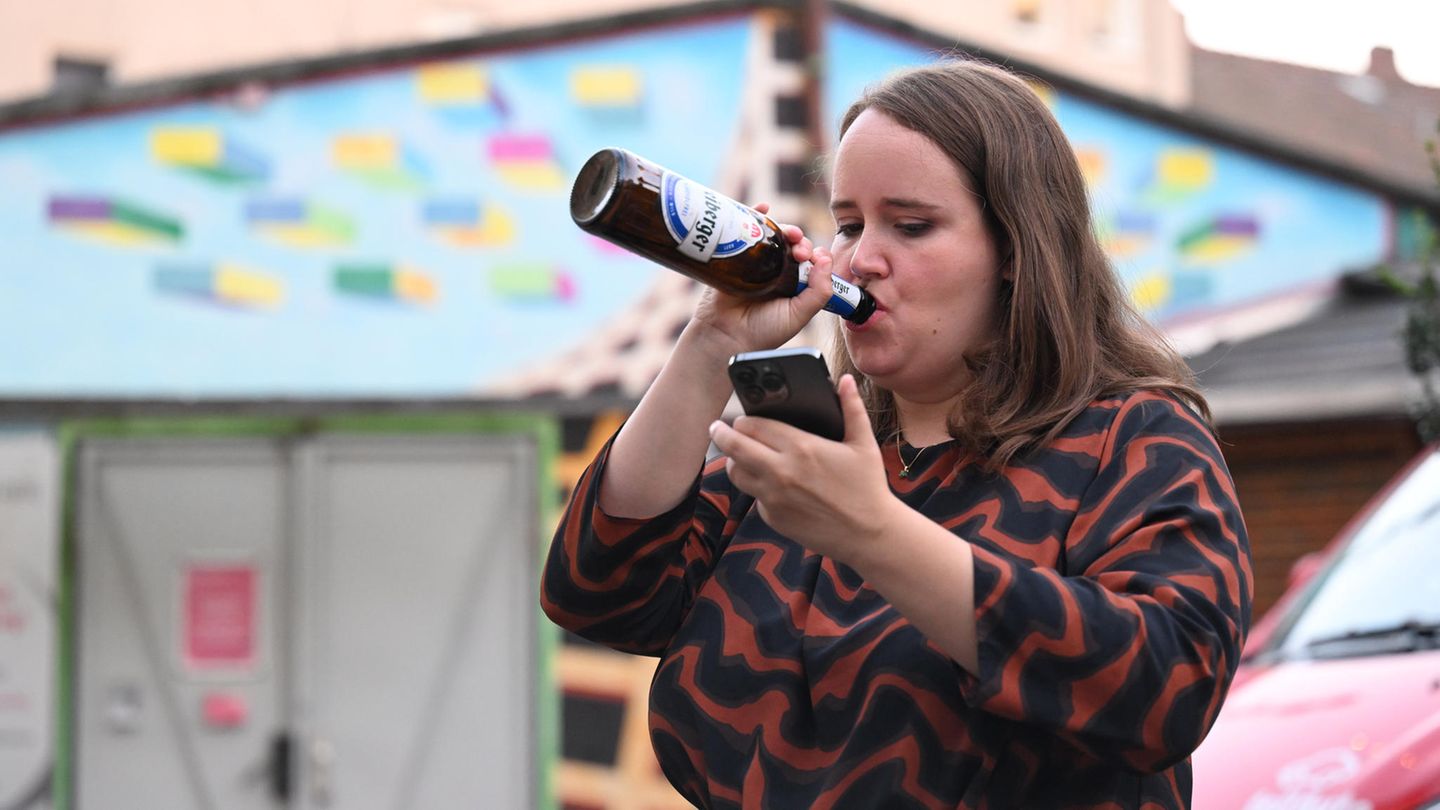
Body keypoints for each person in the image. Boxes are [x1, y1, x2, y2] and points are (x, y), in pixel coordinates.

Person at [542, 58, 1252, 809]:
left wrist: (874, 534)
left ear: (1017, 250)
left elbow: (1167, 687)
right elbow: (600, 591)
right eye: (848, 225)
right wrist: (710, 343)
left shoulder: (1131, 436)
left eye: (911, 226)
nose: (861, 258)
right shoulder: (815, 447)